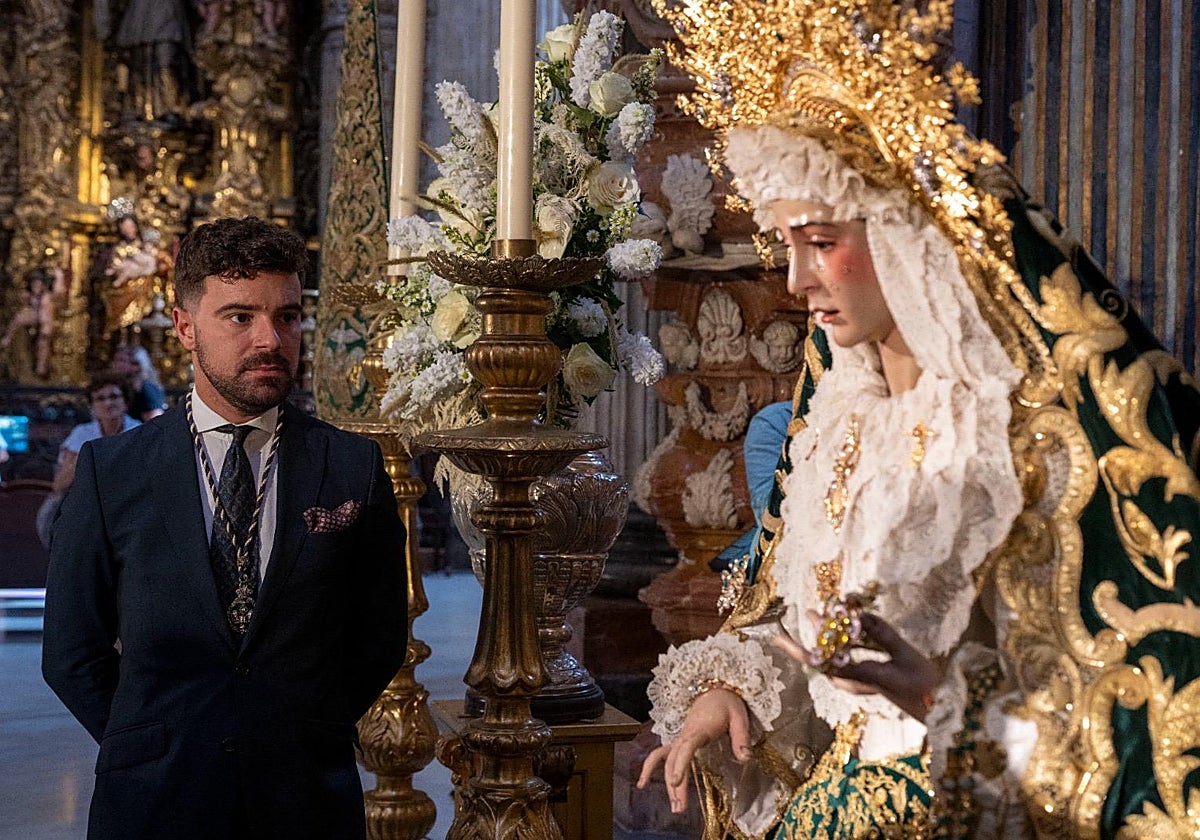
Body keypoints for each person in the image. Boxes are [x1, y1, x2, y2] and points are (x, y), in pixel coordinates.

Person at [638, 1, 1200, 837]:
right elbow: (808, 638)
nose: (793, 281)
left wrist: (936, 700)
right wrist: (730, 688)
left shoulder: (1018, 432)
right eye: (783, 242)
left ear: (905, 232)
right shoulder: (835, 421)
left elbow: (1104, 727)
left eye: (821, 240)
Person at [42, 216, 408, 840]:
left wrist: (304, 728)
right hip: (155, 799)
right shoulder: (113, 472)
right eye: (240, 317)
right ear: (185, 326)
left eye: (287, 317)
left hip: (305, 797)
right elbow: (72, 652)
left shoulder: (351, 465)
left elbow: (378, 636)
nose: (270, 338)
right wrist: (150, 739)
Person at [36, 371, 141, 548]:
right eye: (100, 399)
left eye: (114, 396)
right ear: (92, 406)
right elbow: (60, 484)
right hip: (86, 505)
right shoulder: (82, 434)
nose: (108, 403)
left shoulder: (138, 431)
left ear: (125, 401)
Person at [113, 342, 167, 420]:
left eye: (121, 360)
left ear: (136, 365)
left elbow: (154, 422)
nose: (116, 365)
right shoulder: (127, 387)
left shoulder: (147, 389)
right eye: (116, 360)